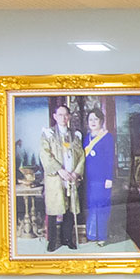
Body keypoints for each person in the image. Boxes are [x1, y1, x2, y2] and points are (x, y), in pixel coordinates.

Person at [39, 100, 83, 252]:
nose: (63, 118)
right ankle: (52, 241)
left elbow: (81, 156)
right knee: (53, 209)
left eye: (66, 115)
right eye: (60, 115)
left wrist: (76, 172)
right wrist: (59, 170)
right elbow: (45, 154)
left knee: (70, 209)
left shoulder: (75, 135)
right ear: (55, 116)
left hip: (71, 177)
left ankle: (67, 239)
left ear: (69, 117)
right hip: (56, 178)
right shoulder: (48, 134)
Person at [82, 105, 114, 245]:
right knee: (91, 206)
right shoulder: (86, 138)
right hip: (89, 179)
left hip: (102, 179)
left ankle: (101, 236)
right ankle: (92, 234)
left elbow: (110, 159)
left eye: (96, 119)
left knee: (102, 206)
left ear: (101, 120)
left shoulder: (107, 137)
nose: (93, 122)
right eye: (90, 119)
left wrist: (109, 178)